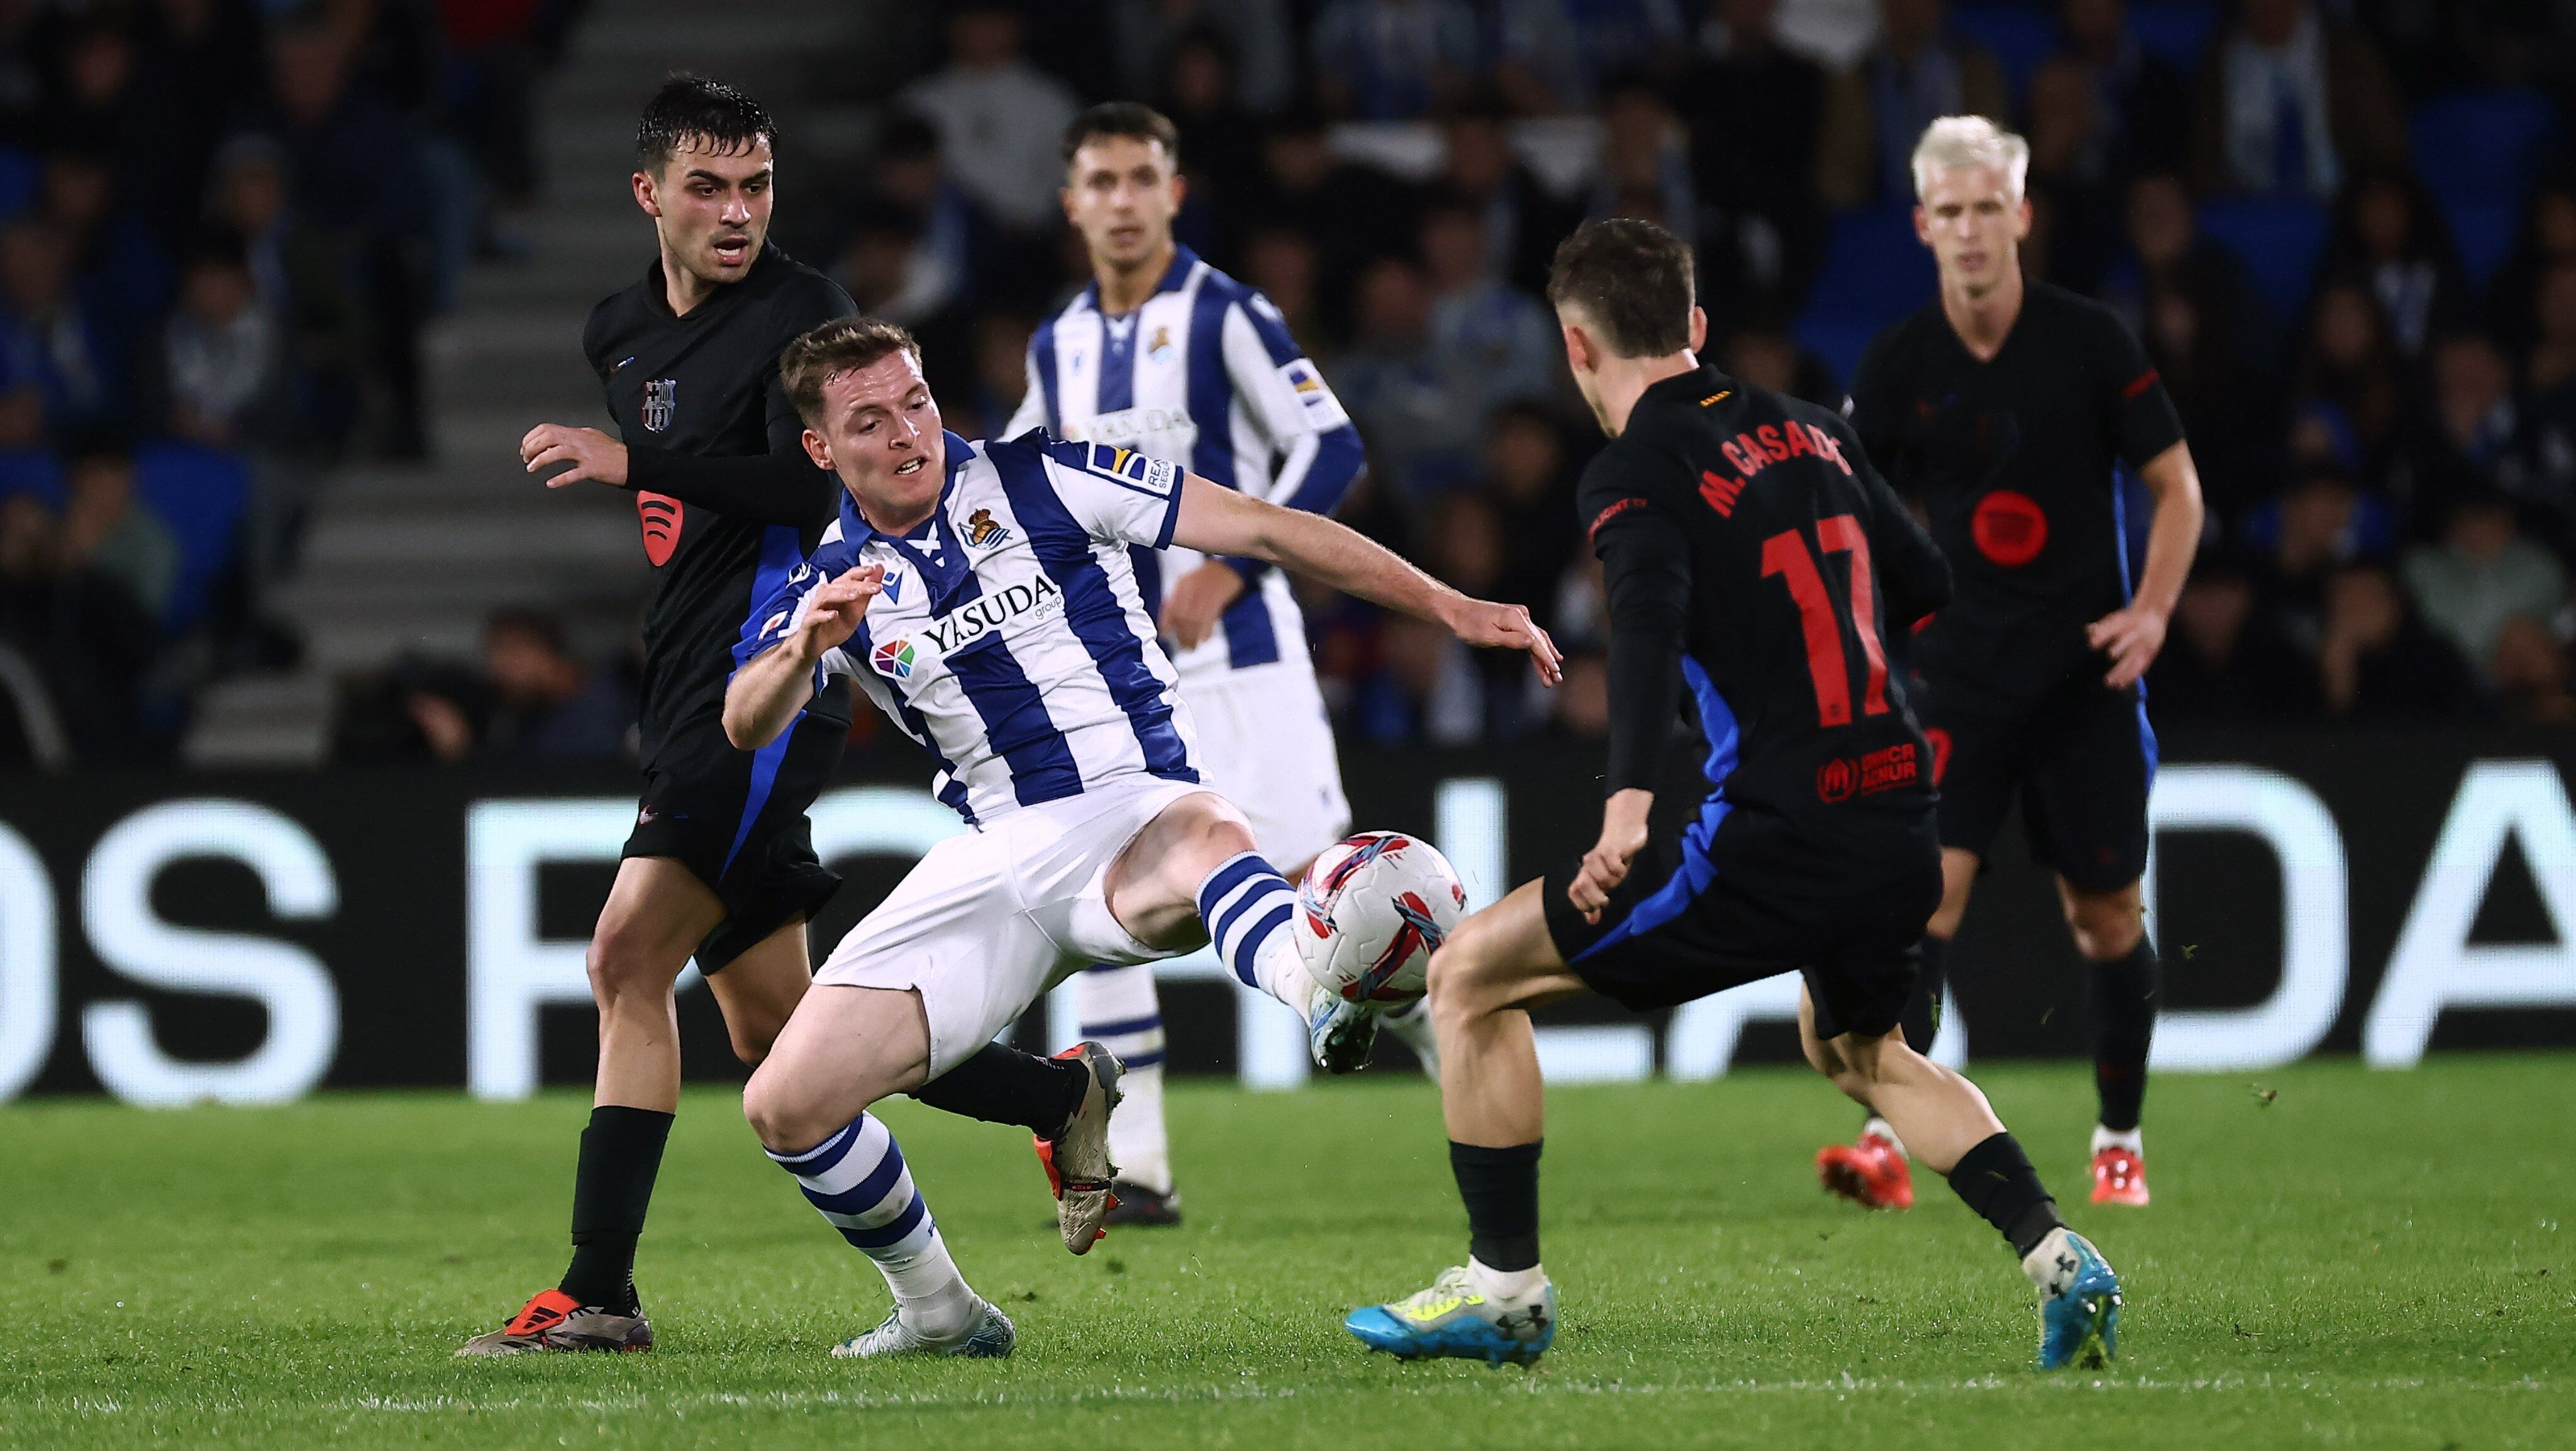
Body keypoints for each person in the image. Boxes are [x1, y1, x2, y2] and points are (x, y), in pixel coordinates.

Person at [1342, 217, 2124, 1371]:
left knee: (1466, 977)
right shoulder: (1811, 430)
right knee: (1860, 1051)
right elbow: (1927, 582)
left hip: (1777, 825)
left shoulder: (1633, 470)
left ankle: (1505, 1292)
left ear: (1574, 348)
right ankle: (2063, 1258)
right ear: (1696, 328)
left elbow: (1646, 627)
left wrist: (1628, 807)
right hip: (1900, 806)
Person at [723, 314, 1558, 1358]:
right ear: (821, 448)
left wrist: (1447, 603)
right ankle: (940, 1311)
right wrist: (805, 645)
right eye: (870, 420)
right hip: (994, 860)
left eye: (917, 402)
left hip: (1132, 803)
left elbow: (1263, 528)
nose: (906, 433)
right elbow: (744, 718)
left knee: (1208, 830)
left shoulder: (1053, 476)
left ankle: (1319, 989)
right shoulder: (831, 583)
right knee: (785, 1104)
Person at [458, 77, 858, 1357]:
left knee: (624, 959)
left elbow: (803, 499)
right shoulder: (618, 331)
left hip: (765, 681)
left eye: (756, 186)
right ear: (649, 195)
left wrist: (629, 460)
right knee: (777, 1031)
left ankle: (597, 1291)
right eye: (708, 186)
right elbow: (693, 522)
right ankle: (1049, 1088)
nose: (737, 212)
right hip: (681, 669)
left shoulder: (807, 314)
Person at [1005, 103, 1415, 1226]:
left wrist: (1235, 569)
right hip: (1128, 678)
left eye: (1144, 178)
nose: (1125, 201)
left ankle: (1460, 1043)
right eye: (1104, 181)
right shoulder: (1059, 343)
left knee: (1330, 901)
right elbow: (1022, 476)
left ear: (1174, 193)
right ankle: (1135, 1170)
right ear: (1072, 202)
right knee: (1108, 899)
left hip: (1248, 660)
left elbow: (1329, 442)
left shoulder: (1228, 312)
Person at [1826, 116, 2204, 1211]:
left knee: (2106, 919)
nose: (1972, 231)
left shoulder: (2090, 342)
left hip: (2087, 679)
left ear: (2023, 214)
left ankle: (2120, 1136)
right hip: (1958, 680)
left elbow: (2177, 486)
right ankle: (1892, 1133)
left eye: (1989, 208)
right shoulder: (1900, 362)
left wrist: (2153, 612)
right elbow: (1851, 508)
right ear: (1922, 226)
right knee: (1923, 907)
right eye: (1951, 212)